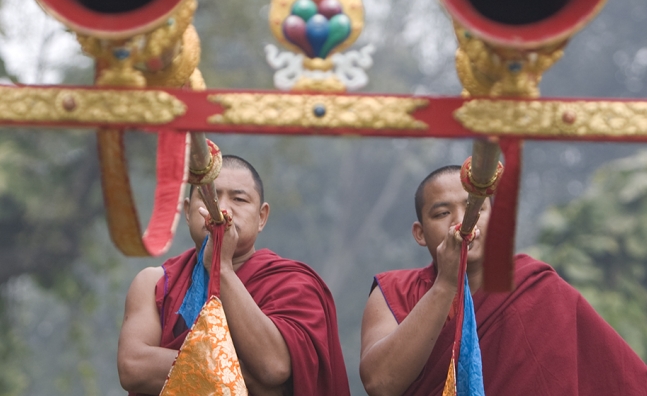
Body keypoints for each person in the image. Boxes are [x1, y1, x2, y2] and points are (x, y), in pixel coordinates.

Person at [359, 165, 647, 396]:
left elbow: (617, 378)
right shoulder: (394, 291)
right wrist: (446, 284)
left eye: (477, 208)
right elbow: (381, 384)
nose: (462, 222)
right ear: (420, 233)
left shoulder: (538, 288)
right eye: (442, 213)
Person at [117, 154, 350, 396]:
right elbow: (133, 368)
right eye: (210, 197)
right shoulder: (155, 283)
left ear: (262, 217)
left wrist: (222, 269)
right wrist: (242, 374)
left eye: (239, 199)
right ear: (187, 211)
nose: (222, 209)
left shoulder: (294, 284)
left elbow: (272, 367)